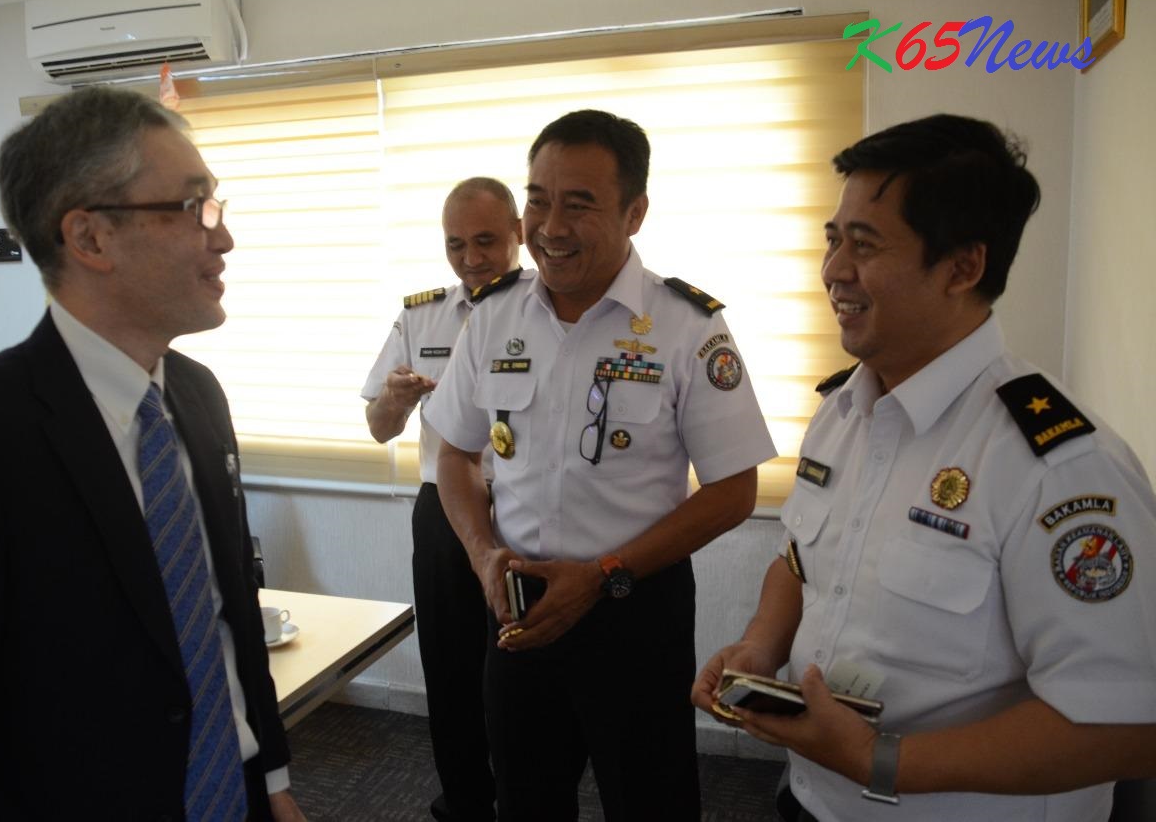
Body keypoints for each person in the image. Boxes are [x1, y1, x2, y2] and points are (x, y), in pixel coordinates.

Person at [691, 114, 1156, 821]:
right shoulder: (842, 413)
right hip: (812, 801)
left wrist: (881, 760)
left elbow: (1129, 727)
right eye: (833, 239)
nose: (834, 270)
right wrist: (760, 645)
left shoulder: (1059, 466)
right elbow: (800, 559)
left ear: (963, 267)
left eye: (865, 244)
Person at [0, 86, 307, 822]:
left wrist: (272, 782)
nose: (224, 237)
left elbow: (228, 615)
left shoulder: (198, 396)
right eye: (194, 206)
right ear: (90, 238)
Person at [425, 110, 777, 820]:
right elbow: (455, 453)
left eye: (579, 204)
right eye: (538, 201)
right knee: (525, 801)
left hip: (632, 607)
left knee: (651, 803)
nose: (550, 227)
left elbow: (735, 490)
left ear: (634, 212)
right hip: (518, 606)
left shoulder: (687, 325)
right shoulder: (492, 316)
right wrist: (482, 553)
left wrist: (603, 573)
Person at [361, 177, 524, 821]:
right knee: (450, 666)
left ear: (518, 233)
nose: (471, 258)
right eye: (456, 244)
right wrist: (395, 399)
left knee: (519, 667)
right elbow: (380, 428)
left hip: (522, 508)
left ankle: (524, 796)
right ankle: (465, 800)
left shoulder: (548, 308)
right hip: (443, 510)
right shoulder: (420, 315)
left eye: (486, 241)